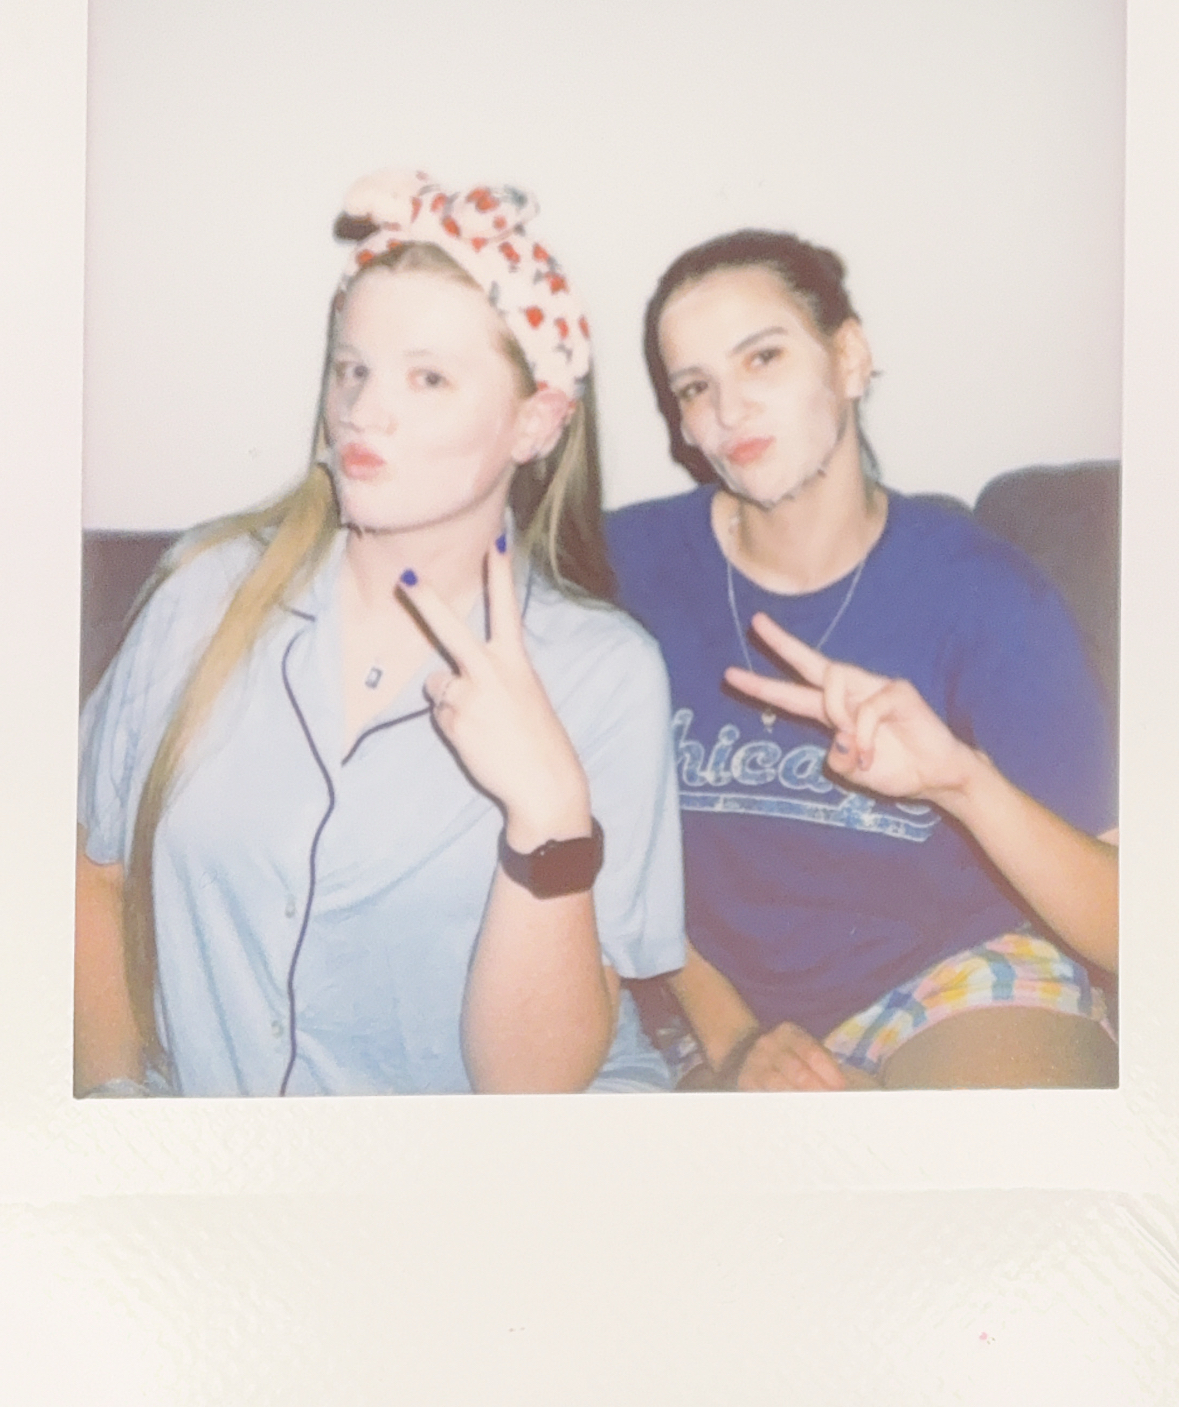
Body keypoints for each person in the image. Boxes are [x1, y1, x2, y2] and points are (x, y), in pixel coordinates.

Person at [75, 169, 684, 1097]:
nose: (364, 409)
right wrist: (119, 1122)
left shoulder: (607, 675)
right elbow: (93, 874)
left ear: (536, 421)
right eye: (351, 368)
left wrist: (551, 816)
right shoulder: (204, 594)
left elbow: (532, 1092)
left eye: (427, 376)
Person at [607, 229, 1117, 1090]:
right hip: (716, 1005)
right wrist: (732, 1040)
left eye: (761, 358)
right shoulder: (624, 570)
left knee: (1003, 1188)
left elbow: (1132, 929)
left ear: (847, 359)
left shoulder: (985, 593)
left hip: (957, 977)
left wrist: (961, 782)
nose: (727, 413)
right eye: (696, 388)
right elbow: (608, 849)